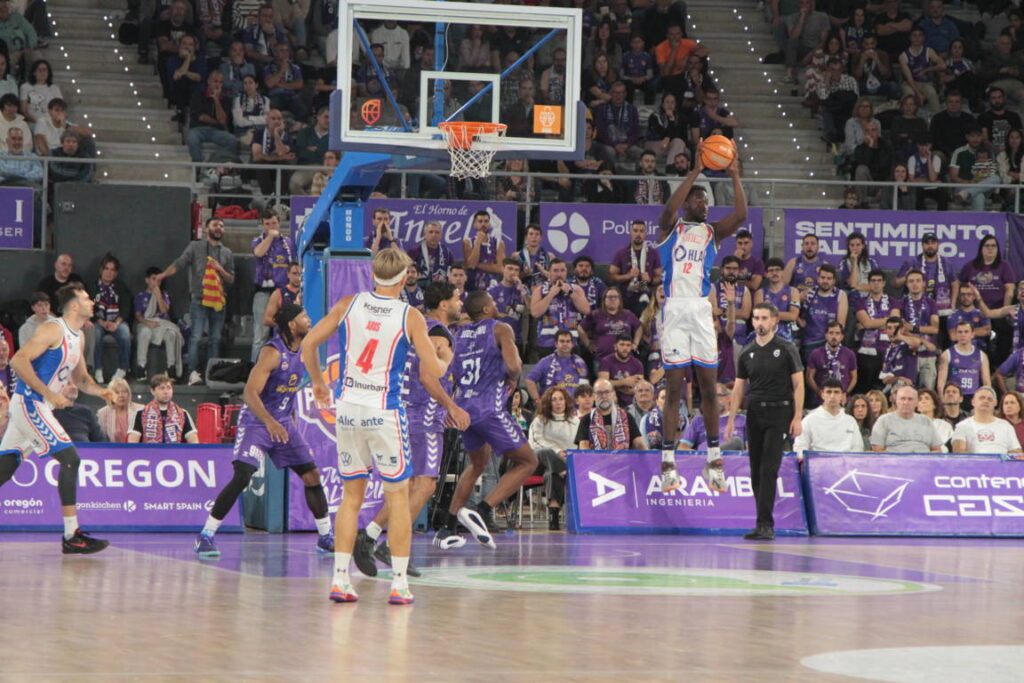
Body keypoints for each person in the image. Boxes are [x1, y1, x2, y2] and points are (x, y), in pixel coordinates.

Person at [302, 248, 452, 605]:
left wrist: (319, 383)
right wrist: (446, 357)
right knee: (397, 497)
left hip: (348, 409)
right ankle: (399, 584)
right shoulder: (410, 315)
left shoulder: (349, 303)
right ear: (404, 278)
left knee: (351, 497)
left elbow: (308, 343)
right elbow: (433, 370)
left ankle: (340, 579)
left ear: (373, 275)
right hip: (384, 411)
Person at [196, 304, 335, 558]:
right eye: (304, 316)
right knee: (242, 476)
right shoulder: (272, 352)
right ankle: (206, 535)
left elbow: (309, 374)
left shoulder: (306, 348)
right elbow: (250, 393)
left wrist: (318, 385)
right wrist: (269, 421)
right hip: (257, 422)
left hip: (284, 423)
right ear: (292, 324)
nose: (309, 319)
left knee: (312, 475)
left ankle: (325, 537)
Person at [352, 281, 470, 573]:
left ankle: (370, 537)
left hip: (402, 411)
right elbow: (428, 377)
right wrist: (451, 406)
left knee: (407, 486)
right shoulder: (439, 334)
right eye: (457, 298)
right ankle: (390, 545)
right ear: (443, 304)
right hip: (423, 418)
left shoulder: (414, 326)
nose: (460, 303)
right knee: (426, 484)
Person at [656, 140, 746, 494]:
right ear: (687, 203)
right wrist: (696, 170)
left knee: (710, 387)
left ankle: (714, 460)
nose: (705, 205)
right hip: (675, 309)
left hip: (700, 308)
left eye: (707, 201)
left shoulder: (712, 233)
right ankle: (668, 464)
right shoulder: (670, 229)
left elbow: (740, 215)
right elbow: (668, 210)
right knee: (674, 388)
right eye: (699, 200)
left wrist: (734, 174)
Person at [0, 283, 114, 553]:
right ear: (74, 306)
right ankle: (72, 535)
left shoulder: (79, 336)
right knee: (71, 459)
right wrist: (49, 394)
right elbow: (18, 360)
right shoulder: (53, 329)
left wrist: (102, 392)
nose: (92, 302)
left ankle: (72, 535)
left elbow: (81, 379)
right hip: (30, 403)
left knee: (5, 467)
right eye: (87, 299)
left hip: (38, 405)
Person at [434, 291, 538, 551]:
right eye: (493, 301)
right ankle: (481, 510)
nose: (496, 303)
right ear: (487, 310)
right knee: (528, 462)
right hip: (489, 409)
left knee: (477, 464)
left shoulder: (459, 335)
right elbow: (514, 367)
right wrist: (511, 373)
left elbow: (451, 373)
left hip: (464, 409)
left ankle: (447, 527)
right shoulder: (501, 328)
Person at [726, 302, 804, 541]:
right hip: (754, 414)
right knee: (756, 471)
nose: (760, 322)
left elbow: (798, 385)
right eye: (756, 318)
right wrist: (731, 419)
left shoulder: (786, 348)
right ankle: (761, 522)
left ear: (774, 321)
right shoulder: (747, 351)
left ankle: (766, 524)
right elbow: (739, 388)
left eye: (764, 318)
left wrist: (797, 417)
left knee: (769, 469)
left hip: (779, 412)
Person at [157, 217, 235, 385]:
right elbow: (179, 263)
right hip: (199, 299)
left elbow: (230, 279)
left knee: (215, 338)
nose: (219, 228)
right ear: (206, 229)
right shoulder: (195, 246)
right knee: (196, 337)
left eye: (222, 226)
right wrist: (163, 275)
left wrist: (220, 269)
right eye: (215, 225)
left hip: (219, 301)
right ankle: (193, 373)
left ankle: (212, 374)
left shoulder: (227, 252)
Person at [527, 386, 579, 531]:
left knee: (552, 474)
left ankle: (553, 518)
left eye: (561, 399)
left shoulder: (575, 421)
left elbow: (579, 443)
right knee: (545, 451)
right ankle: (565, 472)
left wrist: (567, 453)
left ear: (566, 401)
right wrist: (557, 452)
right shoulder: (540, 420)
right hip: (541, 461)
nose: (558, 403)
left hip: (566, 460)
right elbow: (535, 442)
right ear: (548, 403)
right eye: (554, 400)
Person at [251, 209, 296, 362]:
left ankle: (284, 367)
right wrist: (270, 236)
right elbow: (258, 253)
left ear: (279, 223)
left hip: (283, 292)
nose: (271, 226)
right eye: (267, 224)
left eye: (274, 223)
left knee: (284, 331)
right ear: (262, 225)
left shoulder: (287, 243)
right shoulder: (258, 241)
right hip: (263, 292)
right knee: (260, 335)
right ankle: (255, 368)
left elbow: (293, 265)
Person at [86, 254, 133, 384]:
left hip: (116, 321)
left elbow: (126, 309)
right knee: (95, 333)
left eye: (112, 270)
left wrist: (116, 323)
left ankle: (123, 369)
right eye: (106, 269)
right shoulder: (91, 286)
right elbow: (88, 308)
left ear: (116, 273)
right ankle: (98, 369)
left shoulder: (122, 288)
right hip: (98, 321)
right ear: (101, 270)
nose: (109, 272)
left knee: (125, 334)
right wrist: (101, 321)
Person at [530, 258, 591, 357]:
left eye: (562, 270)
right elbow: (535, 313)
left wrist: (570, 292)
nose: (559, 274)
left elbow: (586, 310)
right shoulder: (540, 290)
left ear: (566, 272)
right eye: (555, 270)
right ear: (549, 272)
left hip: (571, 342)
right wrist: (551, 294)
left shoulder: (576, 289)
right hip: (547, 343)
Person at [893, 269, 941, 390]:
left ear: (924, 283)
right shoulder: (900, 303)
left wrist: (913, 328)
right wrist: (921, 339)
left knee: (927, 392)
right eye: (911, 281)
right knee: (906, 391)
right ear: (906, 284)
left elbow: (935, 329)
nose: (915, 284)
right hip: (907, 354)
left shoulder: (931, 303)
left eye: (918, 281)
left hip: (928, 355)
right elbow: (900, 330)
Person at [793, 378, 865, 458]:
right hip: (817, 463)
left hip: (846, 463)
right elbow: (800, 447)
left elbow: (858, 447)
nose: (832, 396)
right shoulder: (809, 420)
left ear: (842, 395)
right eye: (828, 392)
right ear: (822, 394)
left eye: (836, 392)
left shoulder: (850, 421)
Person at [608, 220, 663, 318]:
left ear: (646, 234)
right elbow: (611, 277)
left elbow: (659, 277)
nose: (638, 234)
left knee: (644, 308)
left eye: (641, 231)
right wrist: (628, 276)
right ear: (630, 232)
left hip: (646, 296)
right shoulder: (621, 253)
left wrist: (650, 280)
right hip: (625, 296)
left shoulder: (653, 253)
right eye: (635, 231)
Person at [575, 378, 645, 450]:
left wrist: (649, 454)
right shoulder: (587, 419)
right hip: (595, 458)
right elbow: (583, 447)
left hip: (623, 457)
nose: (604, 396)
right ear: (594, 396)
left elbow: (638, 443)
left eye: (607, 392)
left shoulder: (627, 417)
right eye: (599, 393)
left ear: (613, 394)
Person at [870, 385, 943, 453]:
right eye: (902, 399)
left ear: (916, 403)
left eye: (910, 399)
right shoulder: (883, 420)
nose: (906, 402)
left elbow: (937, 450)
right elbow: (877, 450)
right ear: (897, 401)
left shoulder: (926, 421)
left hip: (923, 460)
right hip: (894, 460)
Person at [852, 269, 892, 394]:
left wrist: (870, 324)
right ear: (869, 283)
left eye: (879, 281)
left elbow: (894, 323)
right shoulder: (860, 302)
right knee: (865, 391)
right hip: (866, 354)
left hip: (888, 352)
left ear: (884, 283)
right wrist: (885, 322)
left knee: (883, 392)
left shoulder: (893, 301)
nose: (876, 283)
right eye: (873, 281)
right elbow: (867, 323)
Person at [127, 374, 198, 444]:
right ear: (152, 391)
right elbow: (132, 442)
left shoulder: (183, 413)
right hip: (149, 451)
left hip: (175, 452)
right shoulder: (140, 413)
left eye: (168, 388)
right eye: (162, 388)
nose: (166, 392)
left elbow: (194, 441)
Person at [952, 386, 1023, 455]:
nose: (986, 401)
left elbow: (1017, 453)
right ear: (973, 402)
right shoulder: (962, 426)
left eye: (990, 399)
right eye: (982, 398)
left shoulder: (1006, 426)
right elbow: (959, 453)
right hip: (974, 463)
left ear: (995, 403)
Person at [799, 264, 848, 362]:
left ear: (834, 281)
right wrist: (798, 320)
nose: (825, 281)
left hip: (830, 343)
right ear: (818, 279)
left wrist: (833, 342)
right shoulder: (808, 294)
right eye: (823, 277)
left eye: (829, 278)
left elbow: (841, 324)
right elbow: (792, 307)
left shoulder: (840, 295)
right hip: (810, 343)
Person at [525, 330, 589, 404]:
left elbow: (585, 386)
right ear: (556, 344)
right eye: (562, 341)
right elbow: (529, 380)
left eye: (568, 341)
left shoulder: (580, 363)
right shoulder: (545, 362)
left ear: (572, 344)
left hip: (575, 406)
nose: (565, 344)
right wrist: (538, 400)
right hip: (551, 405)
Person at [938, 321, 991, 411]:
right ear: (956, 334)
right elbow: (941, 382)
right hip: (954, 397)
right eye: (960, 332)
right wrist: (944, 402)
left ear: (972, 334)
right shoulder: (947, 354)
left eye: (966, 332)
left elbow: (987, 383)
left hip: (974, 398)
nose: (963, 335)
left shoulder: (982, 355)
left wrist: (986, 400)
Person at [681, 382, 746, 451]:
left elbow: (750, 449)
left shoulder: (742, 420)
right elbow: (682, 447)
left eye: (717, 396)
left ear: (728, 398)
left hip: (732, 456)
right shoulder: (698, 421)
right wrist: (700, 454)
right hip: (705, 455)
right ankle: (714, 453)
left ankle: (715, 452)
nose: (713, 400)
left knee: (736, 442)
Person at [805, 321, 857, 406]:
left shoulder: (849, 354)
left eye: (837, 333)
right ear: (826, 335)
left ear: (842, 336)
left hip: (843, 399)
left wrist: (845, 393)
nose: (834, 336)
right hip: (821, 399)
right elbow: (809, 377)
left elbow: (854, 377)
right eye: (831, 333)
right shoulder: (816, 353)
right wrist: (820, 393)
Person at [755, 257, 800, 343]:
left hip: (787, 339)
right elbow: (759, 316)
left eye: (777, 270)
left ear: (783, 272)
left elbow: (793, 316)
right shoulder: (760, 293)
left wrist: (768, 314)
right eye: (771, 270)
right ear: (766, 274)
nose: (774, 273)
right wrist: (783, 315)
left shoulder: (793, 291)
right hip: (766, 339)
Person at [488, 258, 530, 346]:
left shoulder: (523, 289)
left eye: (516, 270)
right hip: (496, 338)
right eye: (510, 268)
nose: (513, 272)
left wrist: (522, 290)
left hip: (516, 338)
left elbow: (531, 308)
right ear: (503, 269)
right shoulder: (492, 290)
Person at [462, 210, 506, 292]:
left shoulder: (499, 243)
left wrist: (477, 264)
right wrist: (478, 243)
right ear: (474, 225)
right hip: (472, 289)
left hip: (492, 289)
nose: (483, 224)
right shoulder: (468, 242)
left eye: (486, 221)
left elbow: (500, 269)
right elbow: (470, 265)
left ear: (489, 224)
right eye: (480, 221)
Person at [597, 335, 645, 407]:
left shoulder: (637, 364)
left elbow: (639, 389)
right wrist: (624, 382)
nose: (625, 348)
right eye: (622, 344)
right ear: (615, 346)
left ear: (631, 347)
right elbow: (602, 385)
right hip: (611, 403)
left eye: (628, 345)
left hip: (632, 404)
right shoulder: (606, 361)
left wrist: (615, 386)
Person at [96, 376, 142, 443]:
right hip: (112, 449)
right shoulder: (103, 413)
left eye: (124, 392)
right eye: (117, 392)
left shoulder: (140, 410)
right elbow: (101, 439)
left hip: (137, 448)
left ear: (129, 394)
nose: (121, 395)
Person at [407, 220, 453, 286]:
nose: (434, 235)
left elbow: (451, 275)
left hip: (441, 288)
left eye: (437, 232)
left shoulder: (447, 253)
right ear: (424, 235)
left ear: (441, 235)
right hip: (419, 288)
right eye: (431, 232)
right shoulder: (414, 252)